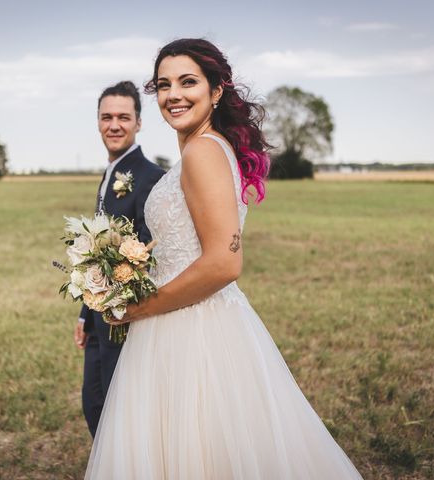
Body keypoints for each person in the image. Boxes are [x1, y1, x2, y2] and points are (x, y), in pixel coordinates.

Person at [84, 39, 363, 479]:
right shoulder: (205, 149)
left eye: (188, 82)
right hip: (186, 320)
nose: (174, 94)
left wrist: (138, 307)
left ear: (216, 91)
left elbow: (223, 264)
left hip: (191, 331)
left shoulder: (202, 152)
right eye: (164, 85)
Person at [75, 80, 165, 438]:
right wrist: (85, 312)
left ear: (139, 122)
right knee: (93, 403)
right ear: (98, 122)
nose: (114, 125)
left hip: (126, 322)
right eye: (106, 117)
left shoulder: (150, 177)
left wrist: (119, 306)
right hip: (97, 314)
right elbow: (95, 251)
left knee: (119, 413)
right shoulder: (109, 173)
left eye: (123, 117)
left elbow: (152, 251)